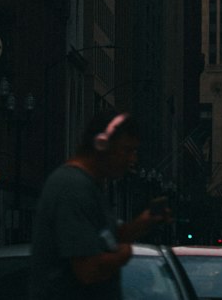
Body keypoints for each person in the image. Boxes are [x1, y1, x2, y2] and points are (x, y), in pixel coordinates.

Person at [30, 110, 169, 300]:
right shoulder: (72, 187)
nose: (132, 159)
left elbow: (108, 238)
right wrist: (124, 255)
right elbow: (88, 270)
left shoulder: (89, 186)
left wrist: (144, 223)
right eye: (127, 150)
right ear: (101, 144)